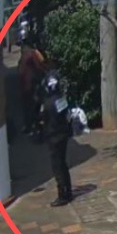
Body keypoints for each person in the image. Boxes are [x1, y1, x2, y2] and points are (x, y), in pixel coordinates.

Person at [41, 73, 74, 207]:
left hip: (53, 137)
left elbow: (42, 119)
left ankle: (62, 195)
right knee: (63, 164)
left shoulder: (47, 104)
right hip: (63, 136)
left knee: (57, 166)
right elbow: (67, 116)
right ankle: (68, 190)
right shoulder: (62, 99)